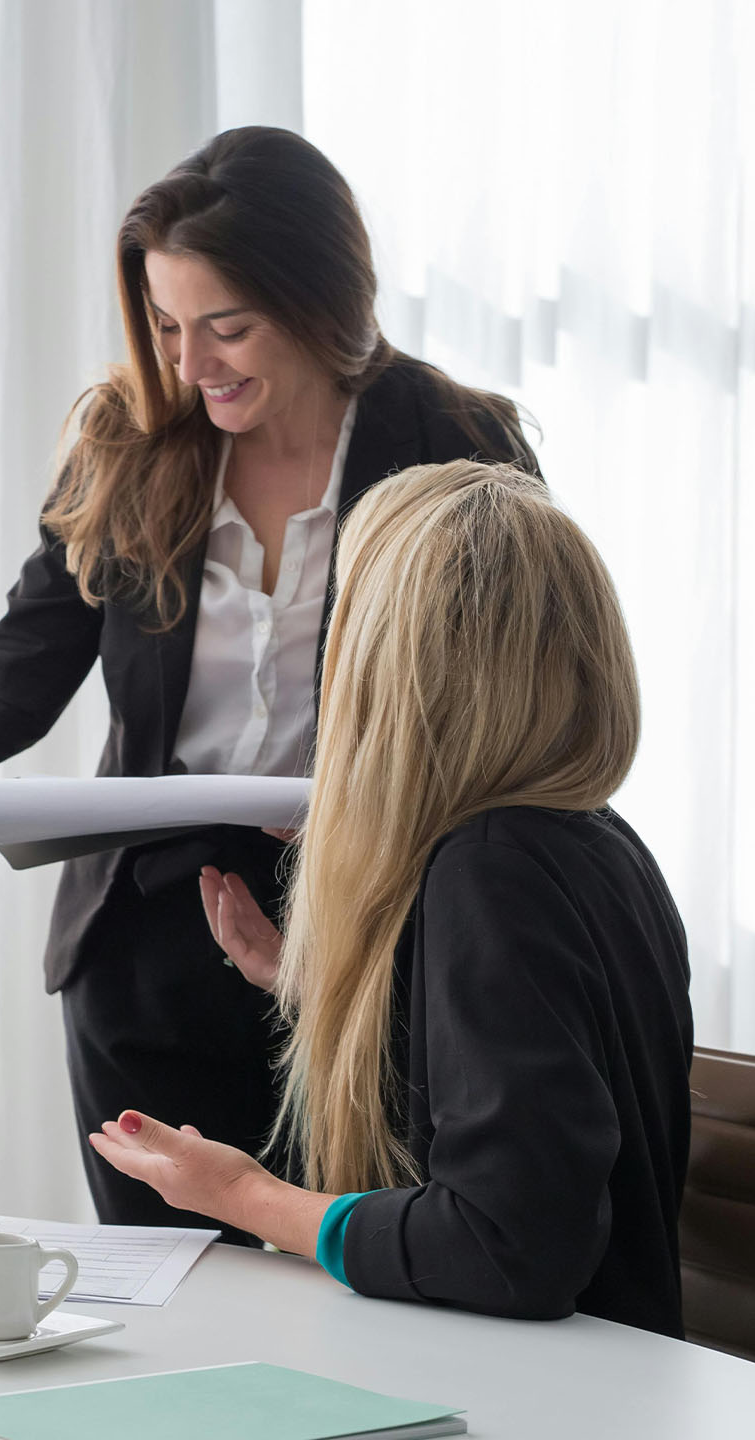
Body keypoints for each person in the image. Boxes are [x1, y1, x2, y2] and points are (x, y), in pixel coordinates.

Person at [0, 127, 537, 1237]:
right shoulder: (128, 446)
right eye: (165, 324)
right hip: (143, 944)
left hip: (362, 932)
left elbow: (510, 710)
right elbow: (9, 687)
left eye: (226, 326)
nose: (192, 365)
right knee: (166, 1294)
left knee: (357, 1269)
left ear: (319, 299)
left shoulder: (458, 445)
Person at [89, 461, 692, 1336]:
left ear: (393, 660)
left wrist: (246, 1196)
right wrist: (326, 985)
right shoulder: (593, 839)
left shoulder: (491, 872)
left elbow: (506, 1242)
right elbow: (531, 1086)